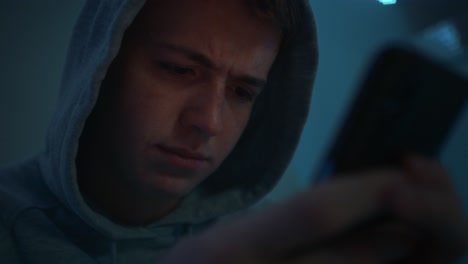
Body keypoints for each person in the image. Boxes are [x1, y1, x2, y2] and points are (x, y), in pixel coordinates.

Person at [0, 0, 466, 263]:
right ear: (98, 69)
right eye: (179, 69)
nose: (209, 122)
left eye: (243, 92)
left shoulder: (281, 246)